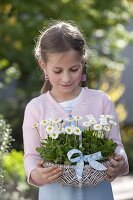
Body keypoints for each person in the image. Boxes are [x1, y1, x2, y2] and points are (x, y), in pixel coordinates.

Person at [22, 21, 129, 200]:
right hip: (55, 193)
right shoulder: (36, 107)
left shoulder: (101, 100)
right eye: (58, 71)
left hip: (97, 193)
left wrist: (120, 161)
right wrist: (34, 173)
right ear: (43, 66)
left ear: (83, 62)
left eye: (74, 69)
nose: (66, 78)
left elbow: (116, 145)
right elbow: (31, 155)